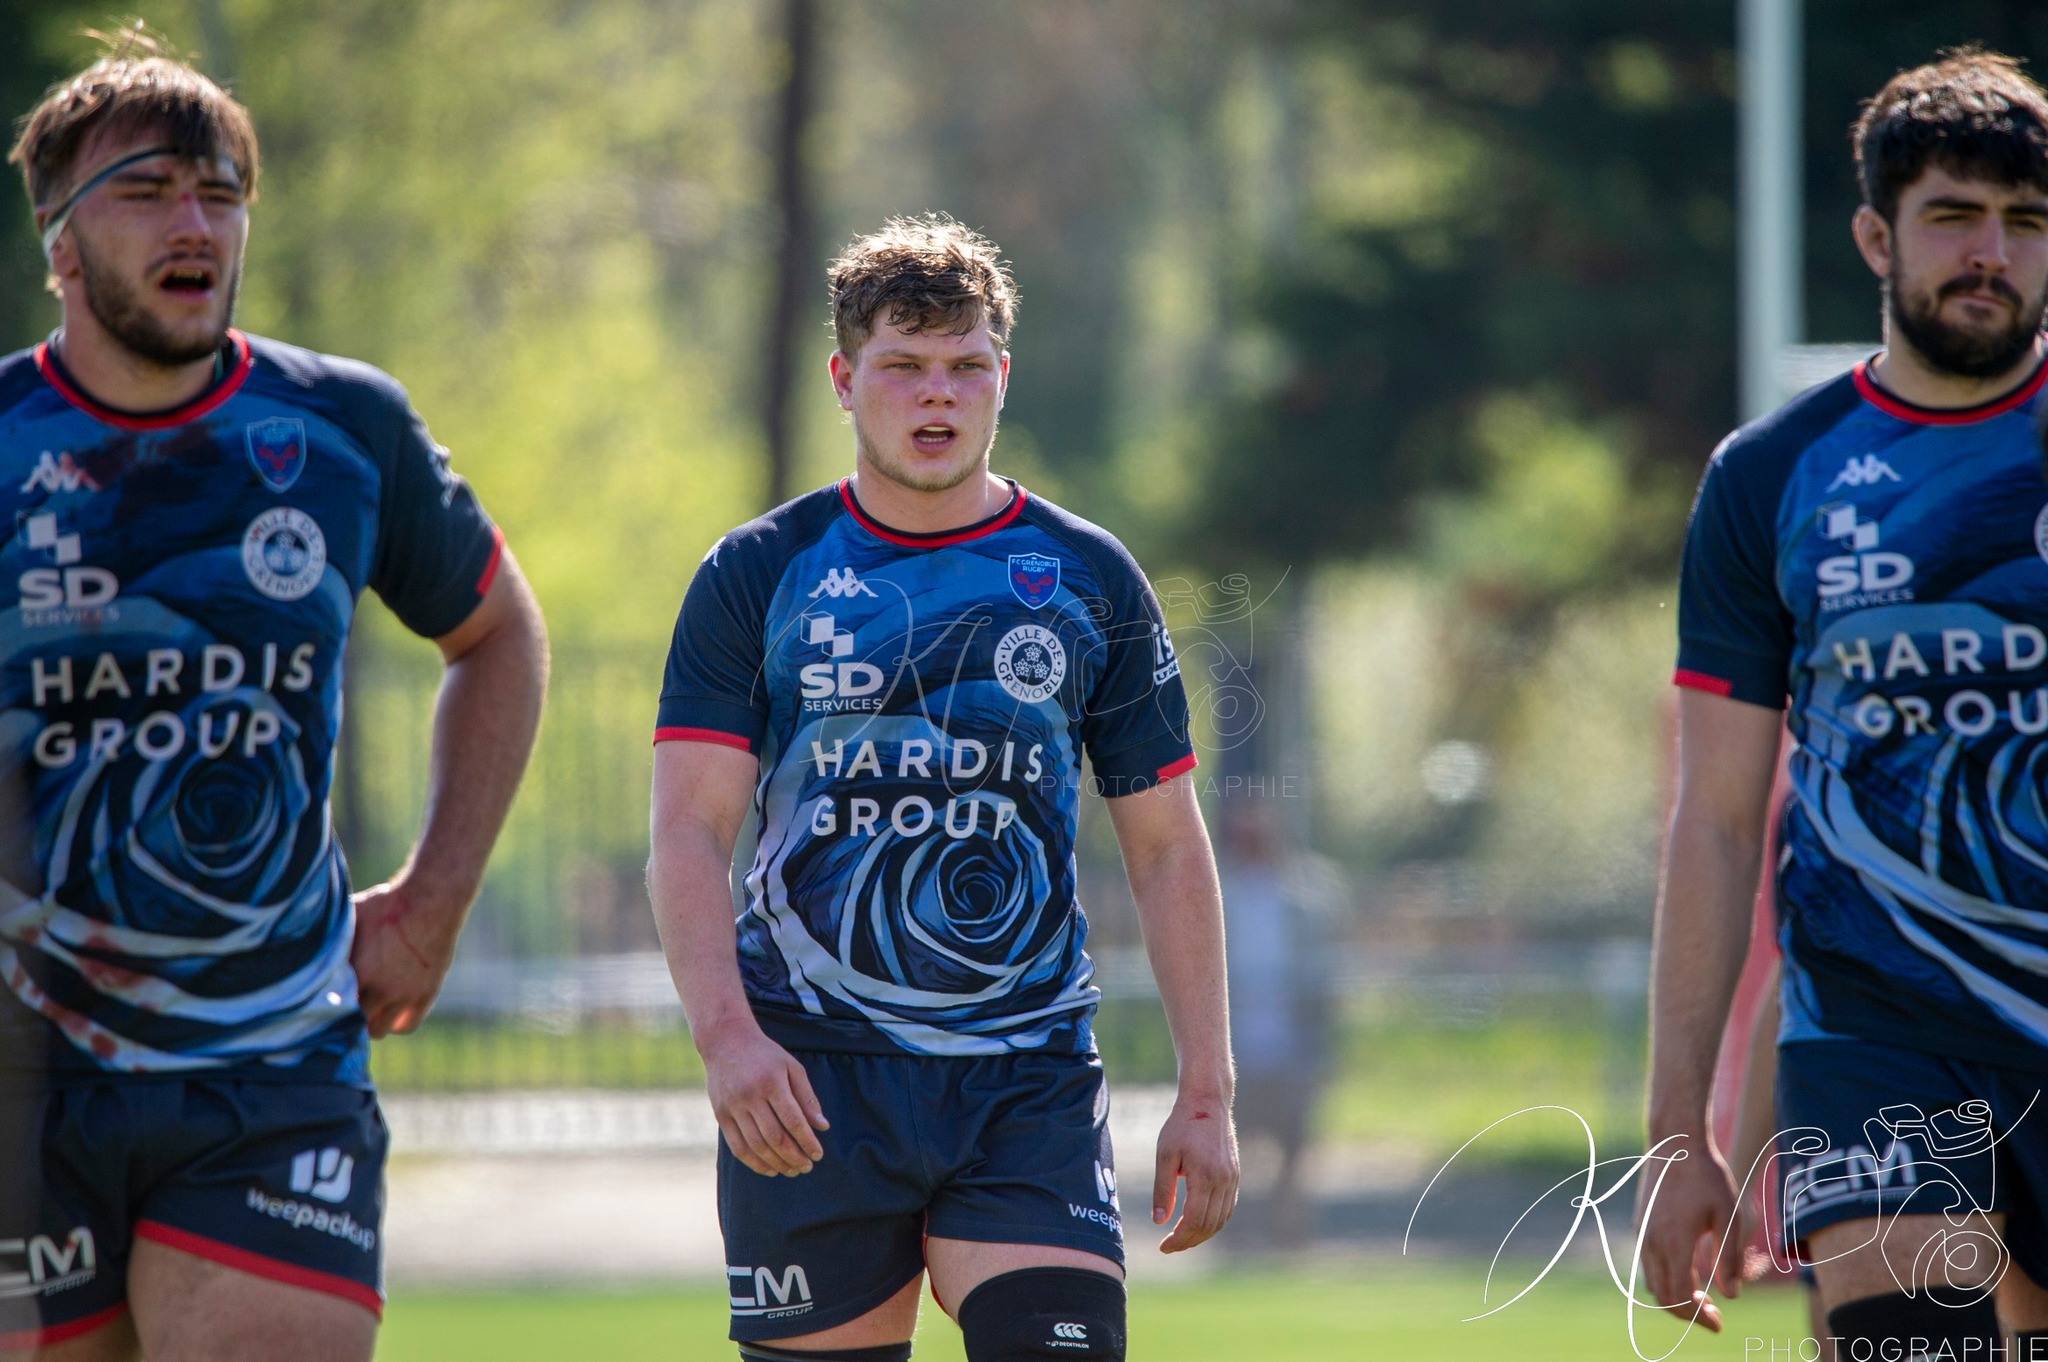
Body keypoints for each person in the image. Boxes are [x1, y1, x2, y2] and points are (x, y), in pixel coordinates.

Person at [0, 33, 547, 1362]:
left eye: (221, 193)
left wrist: (432, 902)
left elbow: (499, 634)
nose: (195, 223)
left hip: (270, 1064)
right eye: (146, 193)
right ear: (61, 247)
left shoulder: (343, 430)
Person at [647, 214, 1237, 1362]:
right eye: (903, 366)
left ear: (1001, 380)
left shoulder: (1085, 575)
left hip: (1025, 1081)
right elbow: (688, 825)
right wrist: (727, 1041)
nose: (937, 396)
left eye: (966, 366)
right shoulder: (758, 572)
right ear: (843, 379)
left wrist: (1206, 1092)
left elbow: (1165, 847)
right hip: (811, 1085)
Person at [1639, 48, 2048, 1358]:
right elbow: (1717, 822)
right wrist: (1677, 1134)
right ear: (1878, 233)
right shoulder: (1771, 478)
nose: (1992, 251)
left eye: (2026, 222)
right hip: (1876, 1036)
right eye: (1953, 216)